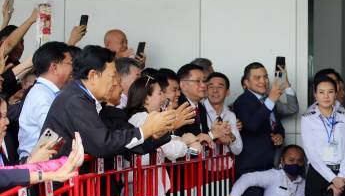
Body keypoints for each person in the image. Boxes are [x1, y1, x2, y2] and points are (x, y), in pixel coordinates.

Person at [41, 45, 173, 159]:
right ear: (93, 76)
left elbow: (114, 142)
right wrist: (145, 130)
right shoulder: (75, 100)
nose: (116, 83)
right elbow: (103, 144)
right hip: (61, 184)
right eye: (112, 76)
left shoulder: (81, 96)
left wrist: (154, 133)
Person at [232, 62, 285, 196]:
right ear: (246, 83)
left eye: (265, 76)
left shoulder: (266, 101)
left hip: (267, 169)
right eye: (257, 77)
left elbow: (274, 127)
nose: (263, 81)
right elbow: (252, 124)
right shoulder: (243, 101)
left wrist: (279, 136)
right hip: (250, 169)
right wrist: (271, 100)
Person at [18, 41, 73, 160]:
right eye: (70, 63)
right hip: (35, 165)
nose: (72, 69)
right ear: (54, 67)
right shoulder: (41, 95)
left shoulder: (49, 92)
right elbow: (55, 133)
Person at [204, 72, 242, 157]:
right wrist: (214, 136)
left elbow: (238, 150)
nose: (215, 90)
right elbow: (192, 149)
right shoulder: (199, 111)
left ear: (227, 92)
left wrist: (230, 136)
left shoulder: (230, 115)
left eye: (220, 87)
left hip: (227, 168)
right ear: (206, 91)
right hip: (202, 168)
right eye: (211, 87)